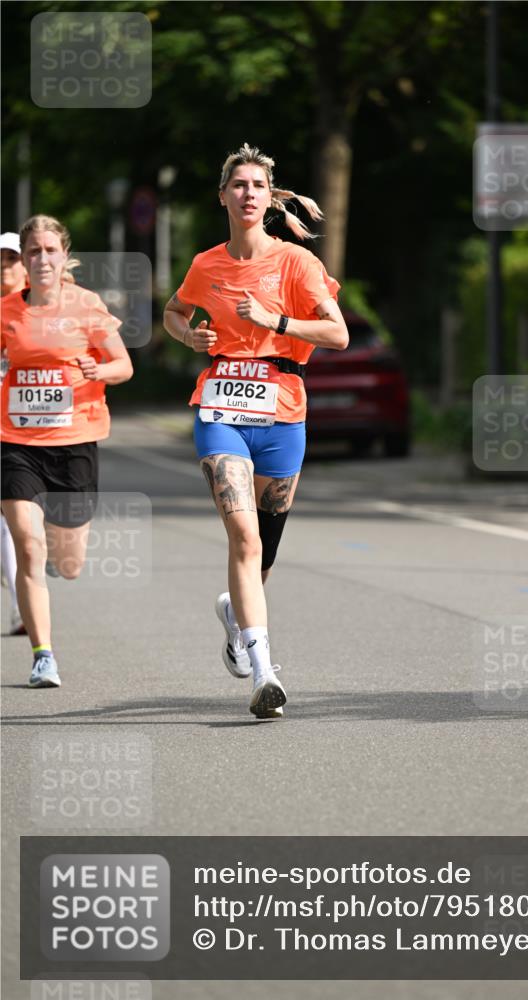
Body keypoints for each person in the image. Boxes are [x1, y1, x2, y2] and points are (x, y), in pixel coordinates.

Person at [164, 143, 348, 720]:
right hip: (219, 409)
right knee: (242, 539)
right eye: (238, 185)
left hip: (282, 414)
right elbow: (173, 310)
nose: (247, 194)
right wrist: (187, 336)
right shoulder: (205, 264)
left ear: (270, 199)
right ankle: (265, 673)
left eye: (257, 187)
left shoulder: (296, 262)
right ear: (223, 195)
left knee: (261, 556)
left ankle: (234, 615)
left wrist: (278, 321)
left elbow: (337, 333)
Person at [0, 215, 133, 687]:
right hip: (16, 444)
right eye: (32, 251)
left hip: (74, 442)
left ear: (64, 255)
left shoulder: (86, 306)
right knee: (28, 547)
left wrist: (99, 373)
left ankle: (60, 554)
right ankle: (43, 655)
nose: (40, 259)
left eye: (49, 251)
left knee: (68, 565)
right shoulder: (7, 311)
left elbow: (123, 364)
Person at [1, 232, 29, 635]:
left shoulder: (46, 305)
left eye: (12, 260)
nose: (5, 268)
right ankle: (22, 605)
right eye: (0, 260)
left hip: (36, 424)